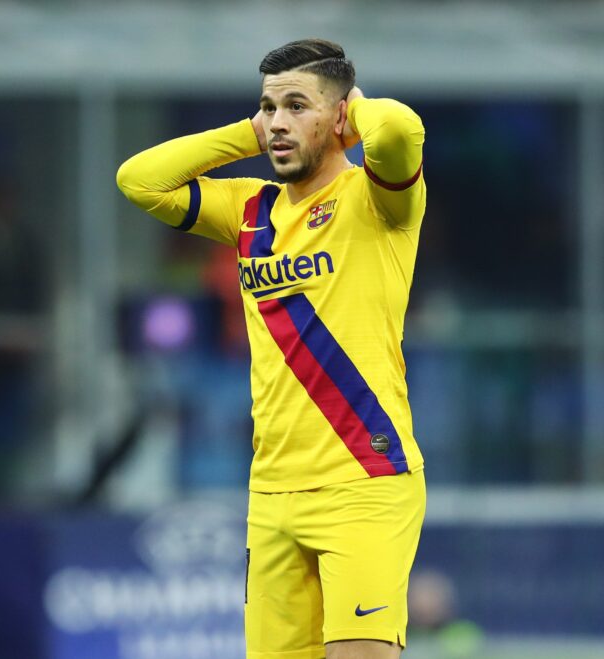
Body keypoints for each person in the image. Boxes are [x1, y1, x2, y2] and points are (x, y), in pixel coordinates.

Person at [118, 39, 427, 659]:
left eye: (296, 106)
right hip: (271, 493)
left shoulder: (377, 201)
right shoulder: (249, 209)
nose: (278, 121)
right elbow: (140, 180)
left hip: (362, 482)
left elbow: (399, 129)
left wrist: (355, 112)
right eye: (268, 107)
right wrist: (250, 134)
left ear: (340, 115)